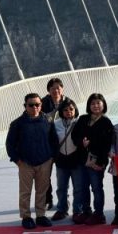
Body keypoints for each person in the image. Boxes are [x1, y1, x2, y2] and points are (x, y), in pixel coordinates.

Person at [6, 93, 59, 229]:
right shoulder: (17, 123)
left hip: (45, 161)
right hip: (25, 163)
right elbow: (10, 144)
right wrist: (17, 160)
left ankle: (41, 215)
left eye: (37, 104)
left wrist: (52, 157)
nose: (35, 107)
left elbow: (54, 140)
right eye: (31, 105)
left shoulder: (48, 120)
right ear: (25, 106)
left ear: (41, 105)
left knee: (42, 190)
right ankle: (26, 216)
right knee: (25, 191)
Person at [71, 93, 114, 225]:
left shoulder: (106, 122)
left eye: (98, 103)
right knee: (83, 187)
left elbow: (107, 144)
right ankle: (86, 211)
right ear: (89, 106)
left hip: (97, 161)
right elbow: (74, 135)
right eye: (93, 103)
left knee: (96, 188)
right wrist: (81, 142)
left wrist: (100, 163)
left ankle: (99, 214)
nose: (95, 106)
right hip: (82, 160)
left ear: (103, 105)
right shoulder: (83, 119)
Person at [52, 99, 87, 222]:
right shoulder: (56, 124)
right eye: (65, 110)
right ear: (61, 111)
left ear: (75, 110)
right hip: (61, 160)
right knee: (61, 187)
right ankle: (62, 209)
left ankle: (77, 211)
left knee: (78, 188)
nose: (68, 112)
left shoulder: (80, 123)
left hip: (76, 160)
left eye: (71, 109)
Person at [41, 77, 70, 210]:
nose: (55, 91)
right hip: (47, 145)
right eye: (52, 88)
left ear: (62, 89)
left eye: (58, 88)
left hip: (63, 145)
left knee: (63, 175)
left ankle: (64, 200)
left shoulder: (68, 102)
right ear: (48, 90)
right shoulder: (42, 103)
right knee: (45, 174)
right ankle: (48, 199)